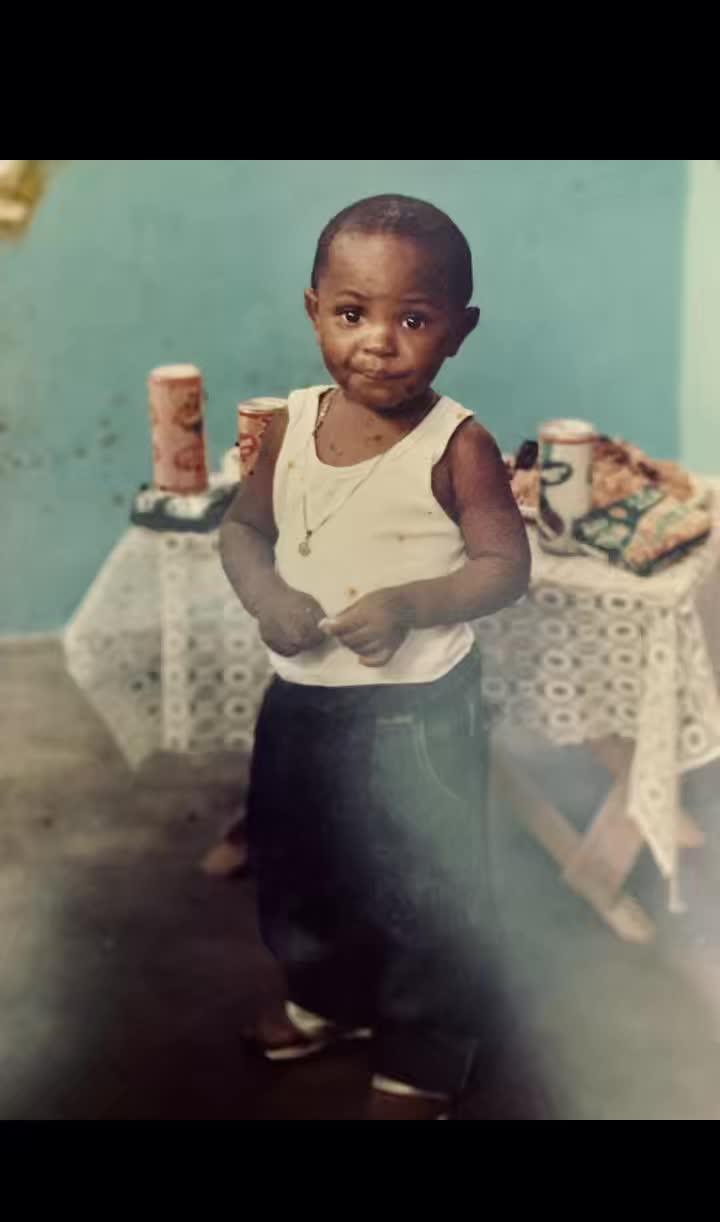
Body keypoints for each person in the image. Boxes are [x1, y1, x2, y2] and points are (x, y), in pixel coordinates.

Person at [220, 194, 531, 1120]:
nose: (379, 344)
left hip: (416, 711)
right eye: (353, 314)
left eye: (415, 320)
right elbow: (243, 532)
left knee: (424, 888)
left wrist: (410, 604)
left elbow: (505, 568)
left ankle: (425, 1058)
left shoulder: (458, 446)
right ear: (313, 310)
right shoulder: (289, 427)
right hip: (303, 700)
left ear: (459, 331)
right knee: (300, 866)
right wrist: (269, 598)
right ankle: (328, 1001)